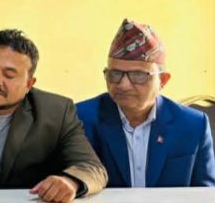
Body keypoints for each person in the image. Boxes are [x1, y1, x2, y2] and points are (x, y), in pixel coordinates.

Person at [0, 29, 107, 203]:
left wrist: (71, 182)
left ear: (29, 83)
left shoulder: (57, 113)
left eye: (9, 75)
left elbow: (92, 168)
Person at [76, 19, 215, 187]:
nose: (123, 85)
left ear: (163, 80)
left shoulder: (192, 124)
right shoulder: (80, 119)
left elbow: (206, 193)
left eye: (138, 75)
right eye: (115, 74)